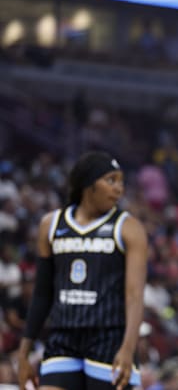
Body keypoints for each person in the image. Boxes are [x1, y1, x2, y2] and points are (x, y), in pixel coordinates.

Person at [16, 151, 148, 390]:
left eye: (121, 182)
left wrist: (128, 349)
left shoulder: (128, 228)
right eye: (111, 180)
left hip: (109, 338)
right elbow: (42, 294)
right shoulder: (51, 225)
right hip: (63, 337)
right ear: (89, 185)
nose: (119, 188)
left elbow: (135, 296)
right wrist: (24, 353)